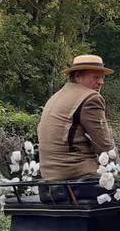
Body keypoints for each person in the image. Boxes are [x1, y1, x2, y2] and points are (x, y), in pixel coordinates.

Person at [37, 54, 115, 202]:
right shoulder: (91, 98)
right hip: (76, 175)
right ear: (78, 77)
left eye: (102, 78)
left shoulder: (55, 97)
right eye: (95, 77)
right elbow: (105, 146)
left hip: (49, 177)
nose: (101, 82)